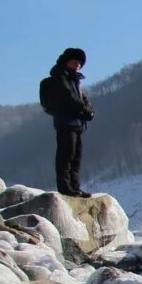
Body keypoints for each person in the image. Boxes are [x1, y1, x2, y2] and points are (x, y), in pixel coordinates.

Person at [43, 47, 94, 197]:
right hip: (65, 122)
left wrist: (89, 110)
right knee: (66, 156)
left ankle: (75, 187)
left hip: (77, 123)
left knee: (76, 157)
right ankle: (65, 188)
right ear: (66, 62)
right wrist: (85, 110)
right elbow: (69, 98)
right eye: (75, 61)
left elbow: (82, 99)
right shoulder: (60, 77)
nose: (78, 64)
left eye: (80, 62)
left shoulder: (75, 80)